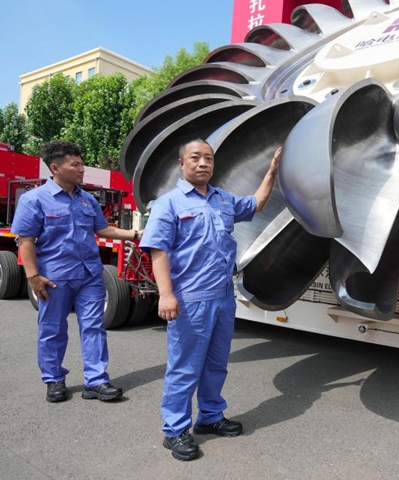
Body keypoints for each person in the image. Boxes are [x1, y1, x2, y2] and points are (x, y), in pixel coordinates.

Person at [140, 139, 280, 462]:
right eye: (196, 157)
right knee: (184, 367)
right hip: (190, 299)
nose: (203, 163)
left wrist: (272, 171)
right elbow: (158, 251)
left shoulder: (223, 199)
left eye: (209, 158)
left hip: (223, 297)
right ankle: (175, 430)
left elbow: (257, 204)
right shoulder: (169, 203)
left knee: (216, 364)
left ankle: (210, 416)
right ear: (182, 163)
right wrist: (166, 294)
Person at [11, 140, 140, 403]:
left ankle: (96, 381)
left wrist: (136, 234)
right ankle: (54, 379)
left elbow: (103, 229)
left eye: (82, 164)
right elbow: (26, 240)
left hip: (90, 276)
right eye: (76, 164)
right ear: (55, 168)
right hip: (55, 277)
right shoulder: (34, 199)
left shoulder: (87, 199)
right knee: (52, 329)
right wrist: (33, 277)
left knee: (94, 327)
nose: (82, 169)